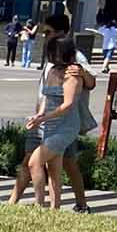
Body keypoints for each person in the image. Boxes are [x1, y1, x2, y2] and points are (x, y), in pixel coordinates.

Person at [23, 13, 94, 213]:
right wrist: (40, 116)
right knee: (55, 167)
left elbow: (78, 94)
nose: (44, 37)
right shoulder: (54, 67)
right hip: (50, 123)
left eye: (48, 32)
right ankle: (56, 209)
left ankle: (41, 205)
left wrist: (82, 72)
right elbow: (47, 96)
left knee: (37, 162)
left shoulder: (74, 64)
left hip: (65, 124)